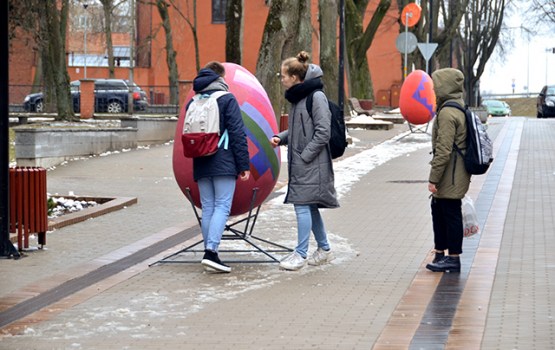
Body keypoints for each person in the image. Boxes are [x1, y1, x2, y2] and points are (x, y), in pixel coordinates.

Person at [270, 51, 339, 271]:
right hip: (304, 163)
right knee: (309, 207)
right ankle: (325, 249)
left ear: (295, 77)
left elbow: (322, 132)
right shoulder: (299, 98)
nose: (281, 79)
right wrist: (281, 137)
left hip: (311, 164)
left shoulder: (315, 97)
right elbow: (299, 129)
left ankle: (300, 254)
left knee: (302, 206)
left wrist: (305, 155)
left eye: (283, 76)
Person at [189, 61, 251, 273]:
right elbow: (237, 133)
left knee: (208, 206)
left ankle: (209, 251)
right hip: (223, 160)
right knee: (222, 205)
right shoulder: (227, 98)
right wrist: (244, 164)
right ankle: (211, 252)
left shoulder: (194, 100)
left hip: (200, 159)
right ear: (221, 78)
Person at [426, 68, 471, 273]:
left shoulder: (447, 113)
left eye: (436, 84)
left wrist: (433, 178)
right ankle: (440, 253)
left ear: (445, 86)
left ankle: (453, 258)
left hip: (451, 173)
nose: (433, 88)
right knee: (440, 211)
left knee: (450, 213)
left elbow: (443, 150)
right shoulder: (458, 106)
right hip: (455, 171)